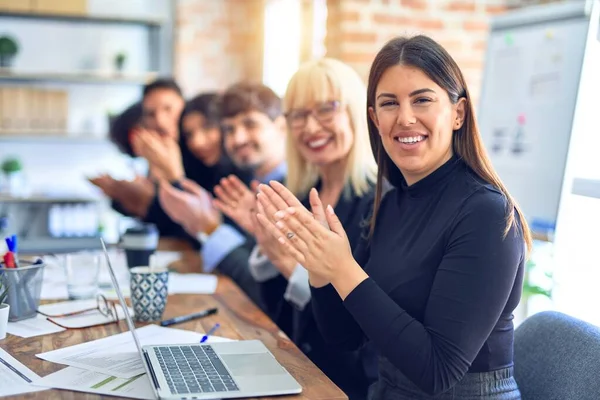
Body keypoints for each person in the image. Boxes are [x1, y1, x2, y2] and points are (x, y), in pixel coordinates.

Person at [256, 35, 531, 400]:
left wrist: (343, 269)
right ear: (374, 118)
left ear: (458, 113)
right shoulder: (391, 202)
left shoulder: (487, 213)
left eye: (422, 100)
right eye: (389, 104)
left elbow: (437, 371)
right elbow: (345, 337)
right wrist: (320, 271)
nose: (405, 118)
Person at [214, 58, 379, 400]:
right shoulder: (301, 195)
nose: (311, 127)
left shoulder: (379, 202)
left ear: (354, 111)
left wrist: (290, 265)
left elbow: (358, 334)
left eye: (325, 109)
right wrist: (268, 252)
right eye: (299, 115)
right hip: (296, 369)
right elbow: (282, 317)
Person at [158, 82, 287, 306]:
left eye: (250, 124)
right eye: (229, 129)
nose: (238, 139)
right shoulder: (250, 183)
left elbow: (275, 293)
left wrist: (212, 228)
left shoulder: (296, 191)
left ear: (281, 127)